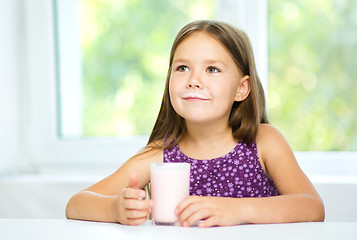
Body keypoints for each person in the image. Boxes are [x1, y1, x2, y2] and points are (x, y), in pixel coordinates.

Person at [66, 20, 325, 227]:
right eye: (182, 68)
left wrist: (238, 210)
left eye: (212, 69)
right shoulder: (161, 153)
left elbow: (313, 207)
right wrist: (115, 209)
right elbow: (76, 204)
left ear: (241, 88)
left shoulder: (263, 142)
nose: (193, 80)